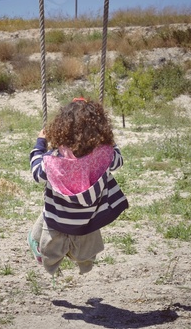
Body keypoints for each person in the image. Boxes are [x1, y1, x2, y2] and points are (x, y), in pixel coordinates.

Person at [27, 98, 129, 276]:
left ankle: (45, 253)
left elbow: (36, 173)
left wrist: (40, 143)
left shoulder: (53, 160)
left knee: (43, 229)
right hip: (88, 222)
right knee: (86, 255)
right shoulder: (104, 156)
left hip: (57, 221)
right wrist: (109, 142)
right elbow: (118, 161)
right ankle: (80, 257)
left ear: (61, 129)